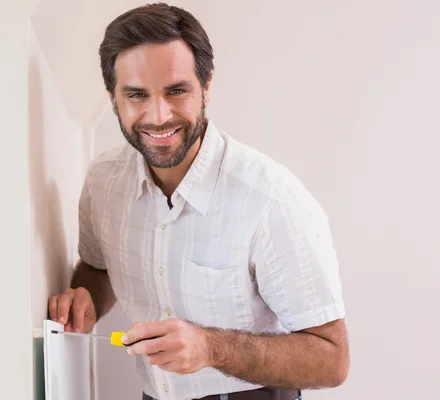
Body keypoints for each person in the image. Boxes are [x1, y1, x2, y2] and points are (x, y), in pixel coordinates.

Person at [48, 3, 349, 400]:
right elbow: (97, 268)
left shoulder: (271, 199)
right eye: (137, 95)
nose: (158, 116)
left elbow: (333, 359)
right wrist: (87, 298)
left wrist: (210, 347)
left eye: (176, 91)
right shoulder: (103, 182)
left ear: (206, 85)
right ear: (112, 98)